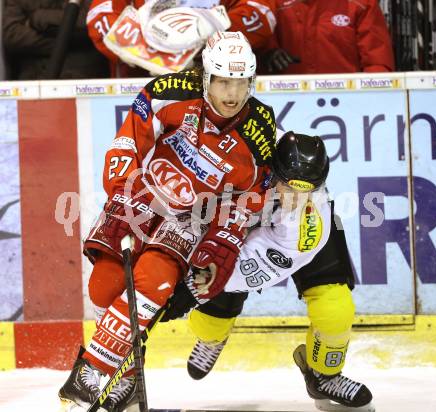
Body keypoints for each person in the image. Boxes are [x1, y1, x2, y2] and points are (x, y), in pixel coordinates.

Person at [58, 30, 277, 412]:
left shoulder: (259, 130)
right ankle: (125, 379)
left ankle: (91, 374)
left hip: (191, 218)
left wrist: (218, 246)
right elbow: (130, 141)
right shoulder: (170, 90)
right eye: (224, 81)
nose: (232, 94)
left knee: (151, 282)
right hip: (140, 196)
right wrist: (121, 185)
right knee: (103, 287)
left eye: (241, 83)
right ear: (207, 76)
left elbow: (245, 201)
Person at [162, 132, 374, 412]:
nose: (297, 197)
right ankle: (211, 338)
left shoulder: (308, 221)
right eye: (291, 187)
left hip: (290, 239)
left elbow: (242, 272)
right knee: (211, 318)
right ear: (274, 169)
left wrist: (196, 284)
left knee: (335, 308)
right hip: (233, 217)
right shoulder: (249, 155)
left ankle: (324, 375)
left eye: (307, 189)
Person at [86, 0, 277, 77]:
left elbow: (261, 12)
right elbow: (101, 13)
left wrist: (214, 36)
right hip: (138, 85)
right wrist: (144, 49)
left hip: (215, 84)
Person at [259, 0, 395, 75]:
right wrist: (266, 56)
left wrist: (372, 99)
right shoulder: (272, 5)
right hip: (286, 104)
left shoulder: (361, 4)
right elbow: (254, 56)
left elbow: (378, 65)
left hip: (350, 103)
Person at [2, 0, 109, 79]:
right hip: (33, 79)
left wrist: (39, 18)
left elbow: (94, 23)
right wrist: (66, 42)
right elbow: (12, 35)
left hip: (85, 80)